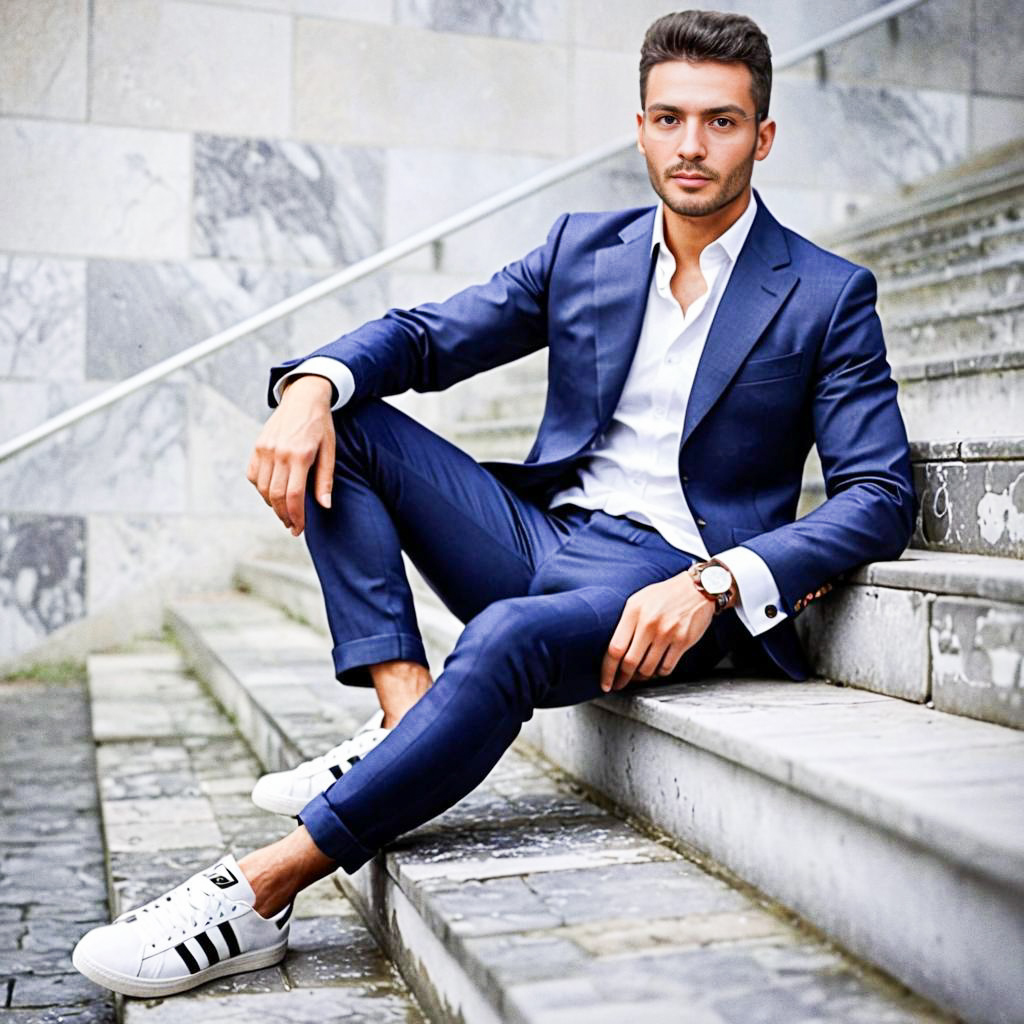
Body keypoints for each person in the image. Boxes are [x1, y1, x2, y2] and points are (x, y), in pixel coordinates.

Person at [73, 9, 915, 998]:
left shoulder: (823, 292)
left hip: (664, 578)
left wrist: (723, 581)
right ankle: (406, 721)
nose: (691, 146)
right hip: (544, 532)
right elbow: (425, 336)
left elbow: (879, 493)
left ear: (762, 136)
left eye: (720, 122)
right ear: (638, 125)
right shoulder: (582, 251)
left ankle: (260, 888)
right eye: (668, 117)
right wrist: (308, 389)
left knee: (508, 636)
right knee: (351, 420)